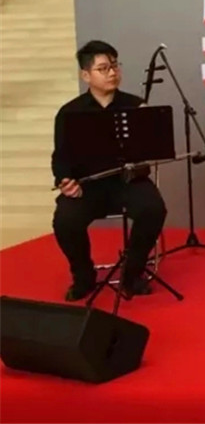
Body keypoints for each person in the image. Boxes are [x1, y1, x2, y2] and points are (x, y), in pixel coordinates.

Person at [51, 40, 168, 301]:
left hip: (128, 182)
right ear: (86, 75)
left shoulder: (135, 105)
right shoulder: (69, 112)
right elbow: (60, 157)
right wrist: (65, 180)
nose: (112, 72)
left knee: (153, 209)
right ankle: (83, 276)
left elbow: (151, 150)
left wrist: (148, 125)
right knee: (65, 221)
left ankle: (132, 272)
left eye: (115, 66)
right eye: (103, 68)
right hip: (88, 186)